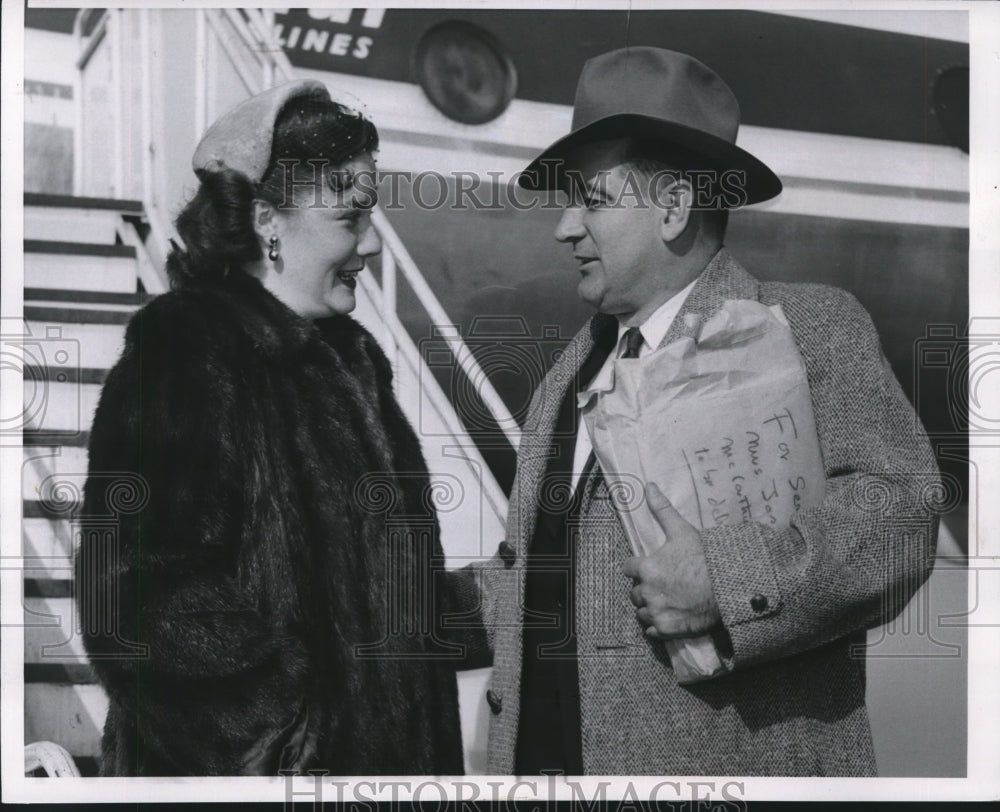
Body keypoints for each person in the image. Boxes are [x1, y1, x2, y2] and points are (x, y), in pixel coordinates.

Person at [479, 47, 942, 775]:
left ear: (671, 209)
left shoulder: (808, 329)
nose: (564, 227)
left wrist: (727, 581)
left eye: (590, 200)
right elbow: (549, 574)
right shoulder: (568, 375)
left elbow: (903, 518)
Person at [75, 80, 473, 776]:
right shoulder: (187, 351)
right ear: (267, 221)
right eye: (353, 218)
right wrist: (290, 746)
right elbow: (136, 600)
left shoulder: (350, 361)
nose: (372, 246)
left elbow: (374, 601)